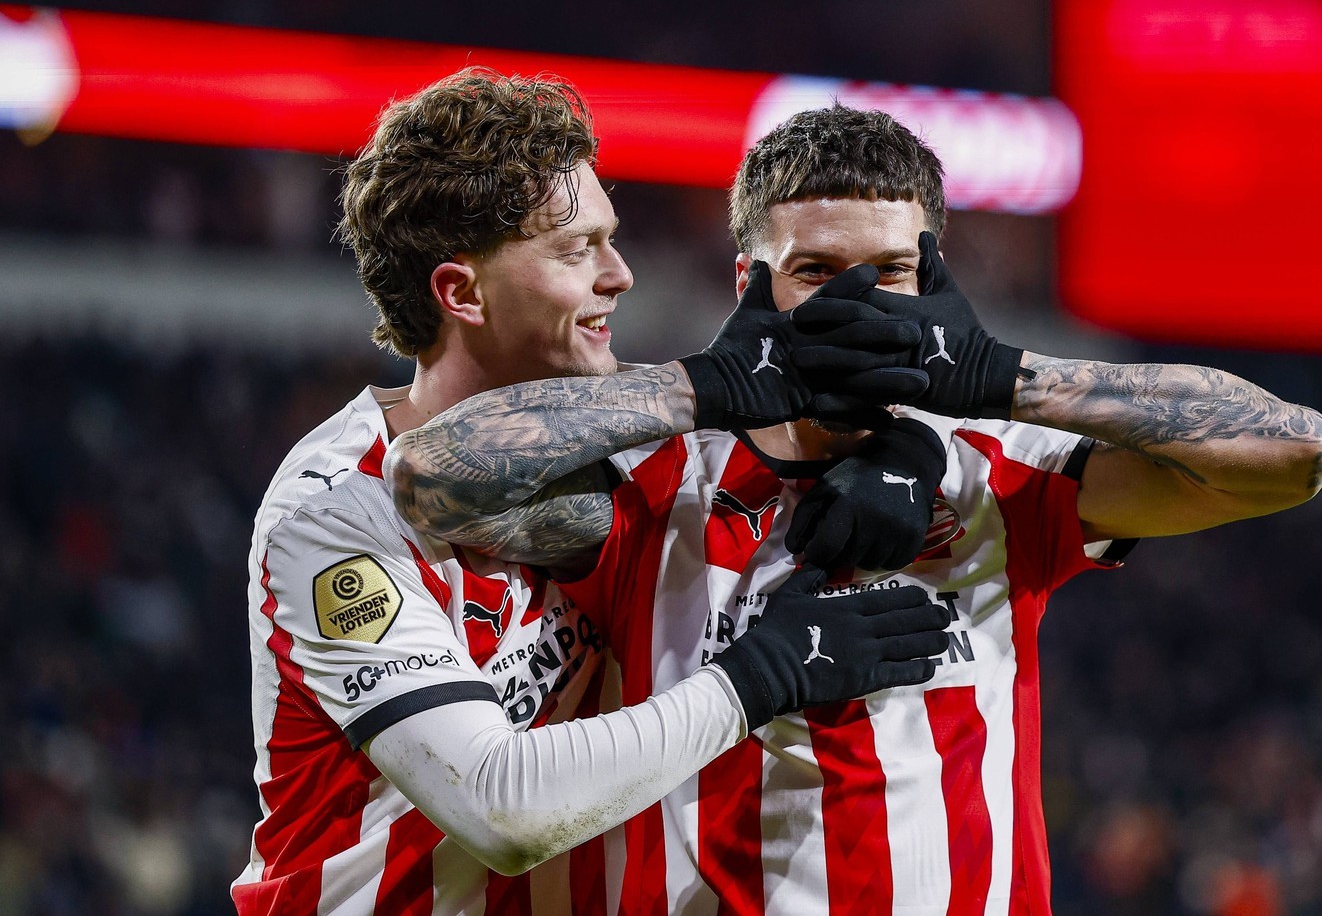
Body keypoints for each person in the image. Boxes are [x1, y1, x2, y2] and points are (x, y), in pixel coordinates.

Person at [386, 104, 1322, 913]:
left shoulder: (999, 468)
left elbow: (1295, 454)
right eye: (813, 270)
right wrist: (709, 384)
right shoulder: (656, 469)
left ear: (933, 286)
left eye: (887, 271)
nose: (853, 299)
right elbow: (429, 475)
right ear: (747, 285)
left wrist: (999, 377)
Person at [233, 73, 957, 914]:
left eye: (610, 240)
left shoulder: (626, 440)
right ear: (461, 292)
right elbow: (504, 809)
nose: (620, 274)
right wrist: (758, 676)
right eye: (577, 250)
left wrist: (912, 447)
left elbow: (803, 421)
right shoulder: (330, 514)